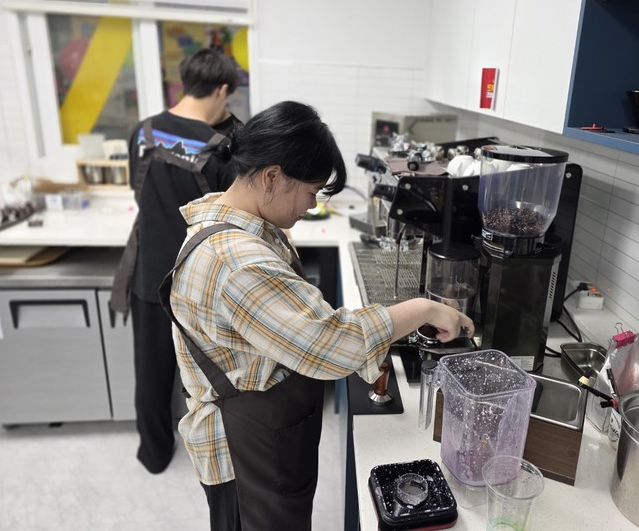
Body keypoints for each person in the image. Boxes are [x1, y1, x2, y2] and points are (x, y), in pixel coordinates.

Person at [160, 100, 473, 531]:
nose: (310, 206)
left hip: (263, 432)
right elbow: (331, 344)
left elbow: (298, 321)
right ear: (272, 177)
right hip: (243, 453)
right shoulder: (236, 261)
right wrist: (423, 308)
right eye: (311, 192)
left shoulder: (242, 224)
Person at [110, 48, 242, 475]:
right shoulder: (223, 146)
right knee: (211, 372)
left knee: (150, 372)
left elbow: (141, 192)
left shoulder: (142, 131)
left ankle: (153, 455)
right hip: (198, 279)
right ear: (221, 89)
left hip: (149, 269)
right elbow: (236, 212)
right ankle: (217, 456)